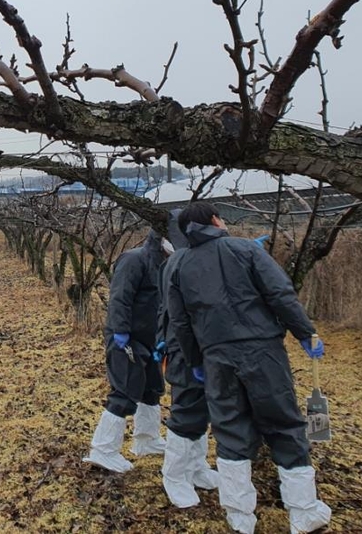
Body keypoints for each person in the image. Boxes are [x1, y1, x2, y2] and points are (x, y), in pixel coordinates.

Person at [166, 202, 332, 534]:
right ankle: (303, 512)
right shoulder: (244, 249)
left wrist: (196, 361)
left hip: (215, 359)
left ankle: (240, 517)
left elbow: (180, 322)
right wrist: (305, 333)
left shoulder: (178, 264)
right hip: (262, 351)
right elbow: (280, 294)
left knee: (229, 428)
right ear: (215, 219)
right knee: (284, 424)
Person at [83, 225, 167, 473]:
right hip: (127, 338)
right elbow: (120, 297)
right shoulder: (134, 259)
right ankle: (103, 449)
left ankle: (146, 440)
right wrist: (120, 331)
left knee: (151, 389)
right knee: (125, 390)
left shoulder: (168, 264)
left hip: (149, 339)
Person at [155, 210, 219, 508]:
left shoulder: (193, 259)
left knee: (202, 411)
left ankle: (197, 468)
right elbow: (172, 314)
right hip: (185, 352)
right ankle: (174, 474)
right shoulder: (179, 263)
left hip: (206, 350)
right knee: (187, 411)